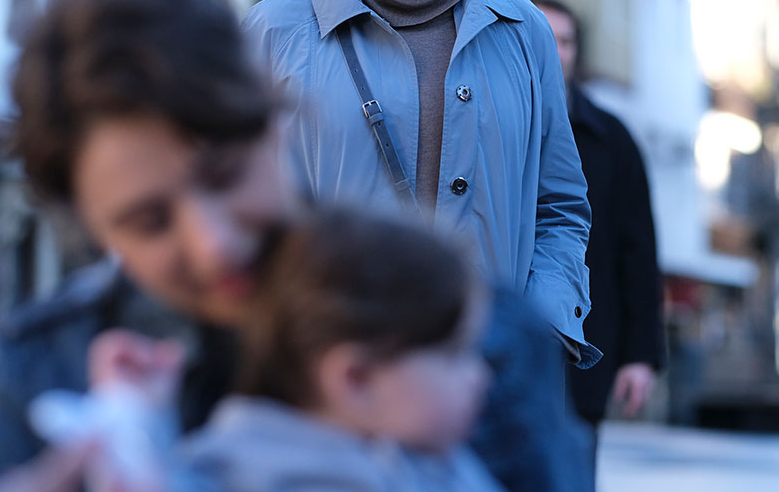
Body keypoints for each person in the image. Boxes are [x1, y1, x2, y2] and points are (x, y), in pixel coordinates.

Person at [0, 0, 588, 492]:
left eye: (223, 175)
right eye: (149, 221)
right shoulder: (35, 375)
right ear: (93, 229)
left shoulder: (472, 330)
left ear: (277, 125)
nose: (213, 243)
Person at [243, 0, 597, 370]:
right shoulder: (273, 34)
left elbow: (559, 206)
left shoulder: (522, 31)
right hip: (330, 379)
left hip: (491, 375)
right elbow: (239, 208)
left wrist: (538, 327)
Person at [89, 209, 501, 491]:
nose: (480, 375)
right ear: (356, 379)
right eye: (454, 354)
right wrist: (135, 423)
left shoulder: (434, 459)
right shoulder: (241, 477)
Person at [532, 0, 664, 463]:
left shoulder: (613, 139)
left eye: (564, 39)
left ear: (576, 52)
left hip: (585, 347)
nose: (552, 48)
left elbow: (639, 252)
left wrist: (641, 355)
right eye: (541, 33)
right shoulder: (481, 120)